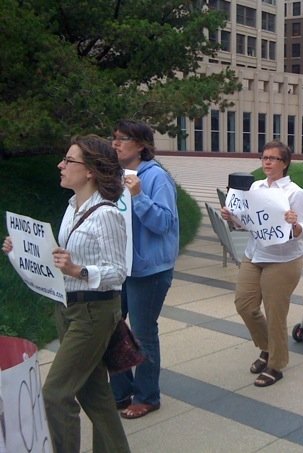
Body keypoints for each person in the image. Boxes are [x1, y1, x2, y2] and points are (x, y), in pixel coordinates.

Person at [3, 136, 131, 452]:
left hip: (94, 313)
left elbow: (118, 273)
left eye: (68, 160)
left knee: (55, 395)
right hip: (69, 308)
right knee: (95, 394)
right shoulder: (72, 207)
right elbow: (59, 259)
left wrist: (79, 271)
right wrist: (19, 251)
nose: (60, 165)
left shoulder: (107, 215)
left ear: (89, 171)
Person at [221, 141, 303, 387]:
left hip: (283, 260)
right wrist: (232, 217)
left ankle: (276, 364)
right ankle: (268, 347)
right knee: (245, 305)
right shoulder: (255, 187)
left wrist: (294, 224)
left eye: (273, 158)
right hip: (255, 253)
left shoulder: (296, 193)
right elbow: (248, 221)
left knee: (275, 314)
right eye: (264, 157)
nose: (267, 162)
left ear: (285, 163)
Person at [109, 120, 179, 419]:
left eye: (122, 139)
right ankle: (121, 392)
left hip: (149, 270)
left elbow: (163, 223)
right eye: (113, 138)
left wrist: (138, 196)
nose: (115, 144)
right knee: (112, 326)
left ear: (141, 145)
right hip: (121, 266)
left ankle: (147, 396)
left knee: (143, 332)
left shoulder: (156, 178)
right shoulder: (115, 175)